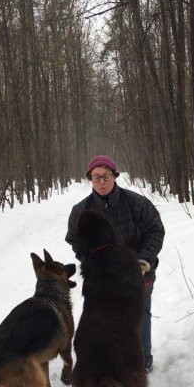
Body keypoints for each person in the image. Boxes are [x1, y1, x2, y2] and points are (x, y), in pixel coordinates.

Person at [65, 155, 165, 373]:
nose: (101, 181)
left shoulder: (136, 203)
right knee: (100, 323)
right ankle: (105, 368)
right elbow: (74, 240)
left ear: (115, 176)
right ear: (90, 179)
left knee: (139, 317)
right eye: (96, 177)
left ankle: (141, 362)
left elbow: (155, 231)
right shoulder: (81, 211)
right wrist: (93, 262)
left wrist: (144, 259)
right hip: (100, 281)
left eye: (106, 176)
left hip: (138, 276)